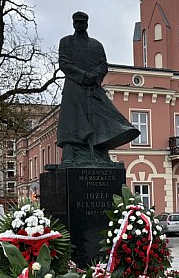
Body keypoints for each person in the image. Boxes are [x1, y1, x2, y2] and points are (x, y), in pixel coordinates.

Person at [56, 11, 140, 166]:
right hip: (74, 88)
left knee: (100, 120)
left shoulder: (96, 45)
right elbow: (64, 63)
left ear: (87, 24)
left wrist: (94, 76)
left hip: (93, 88)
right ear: (73, 23)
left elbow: (103, 65)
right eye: (77, 22)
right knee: (71, 121)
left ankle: (101, 152)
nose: (80, 25)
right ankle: (69, 154)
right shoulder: (66, 42)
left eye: (82, 22)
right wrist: (83, 76)